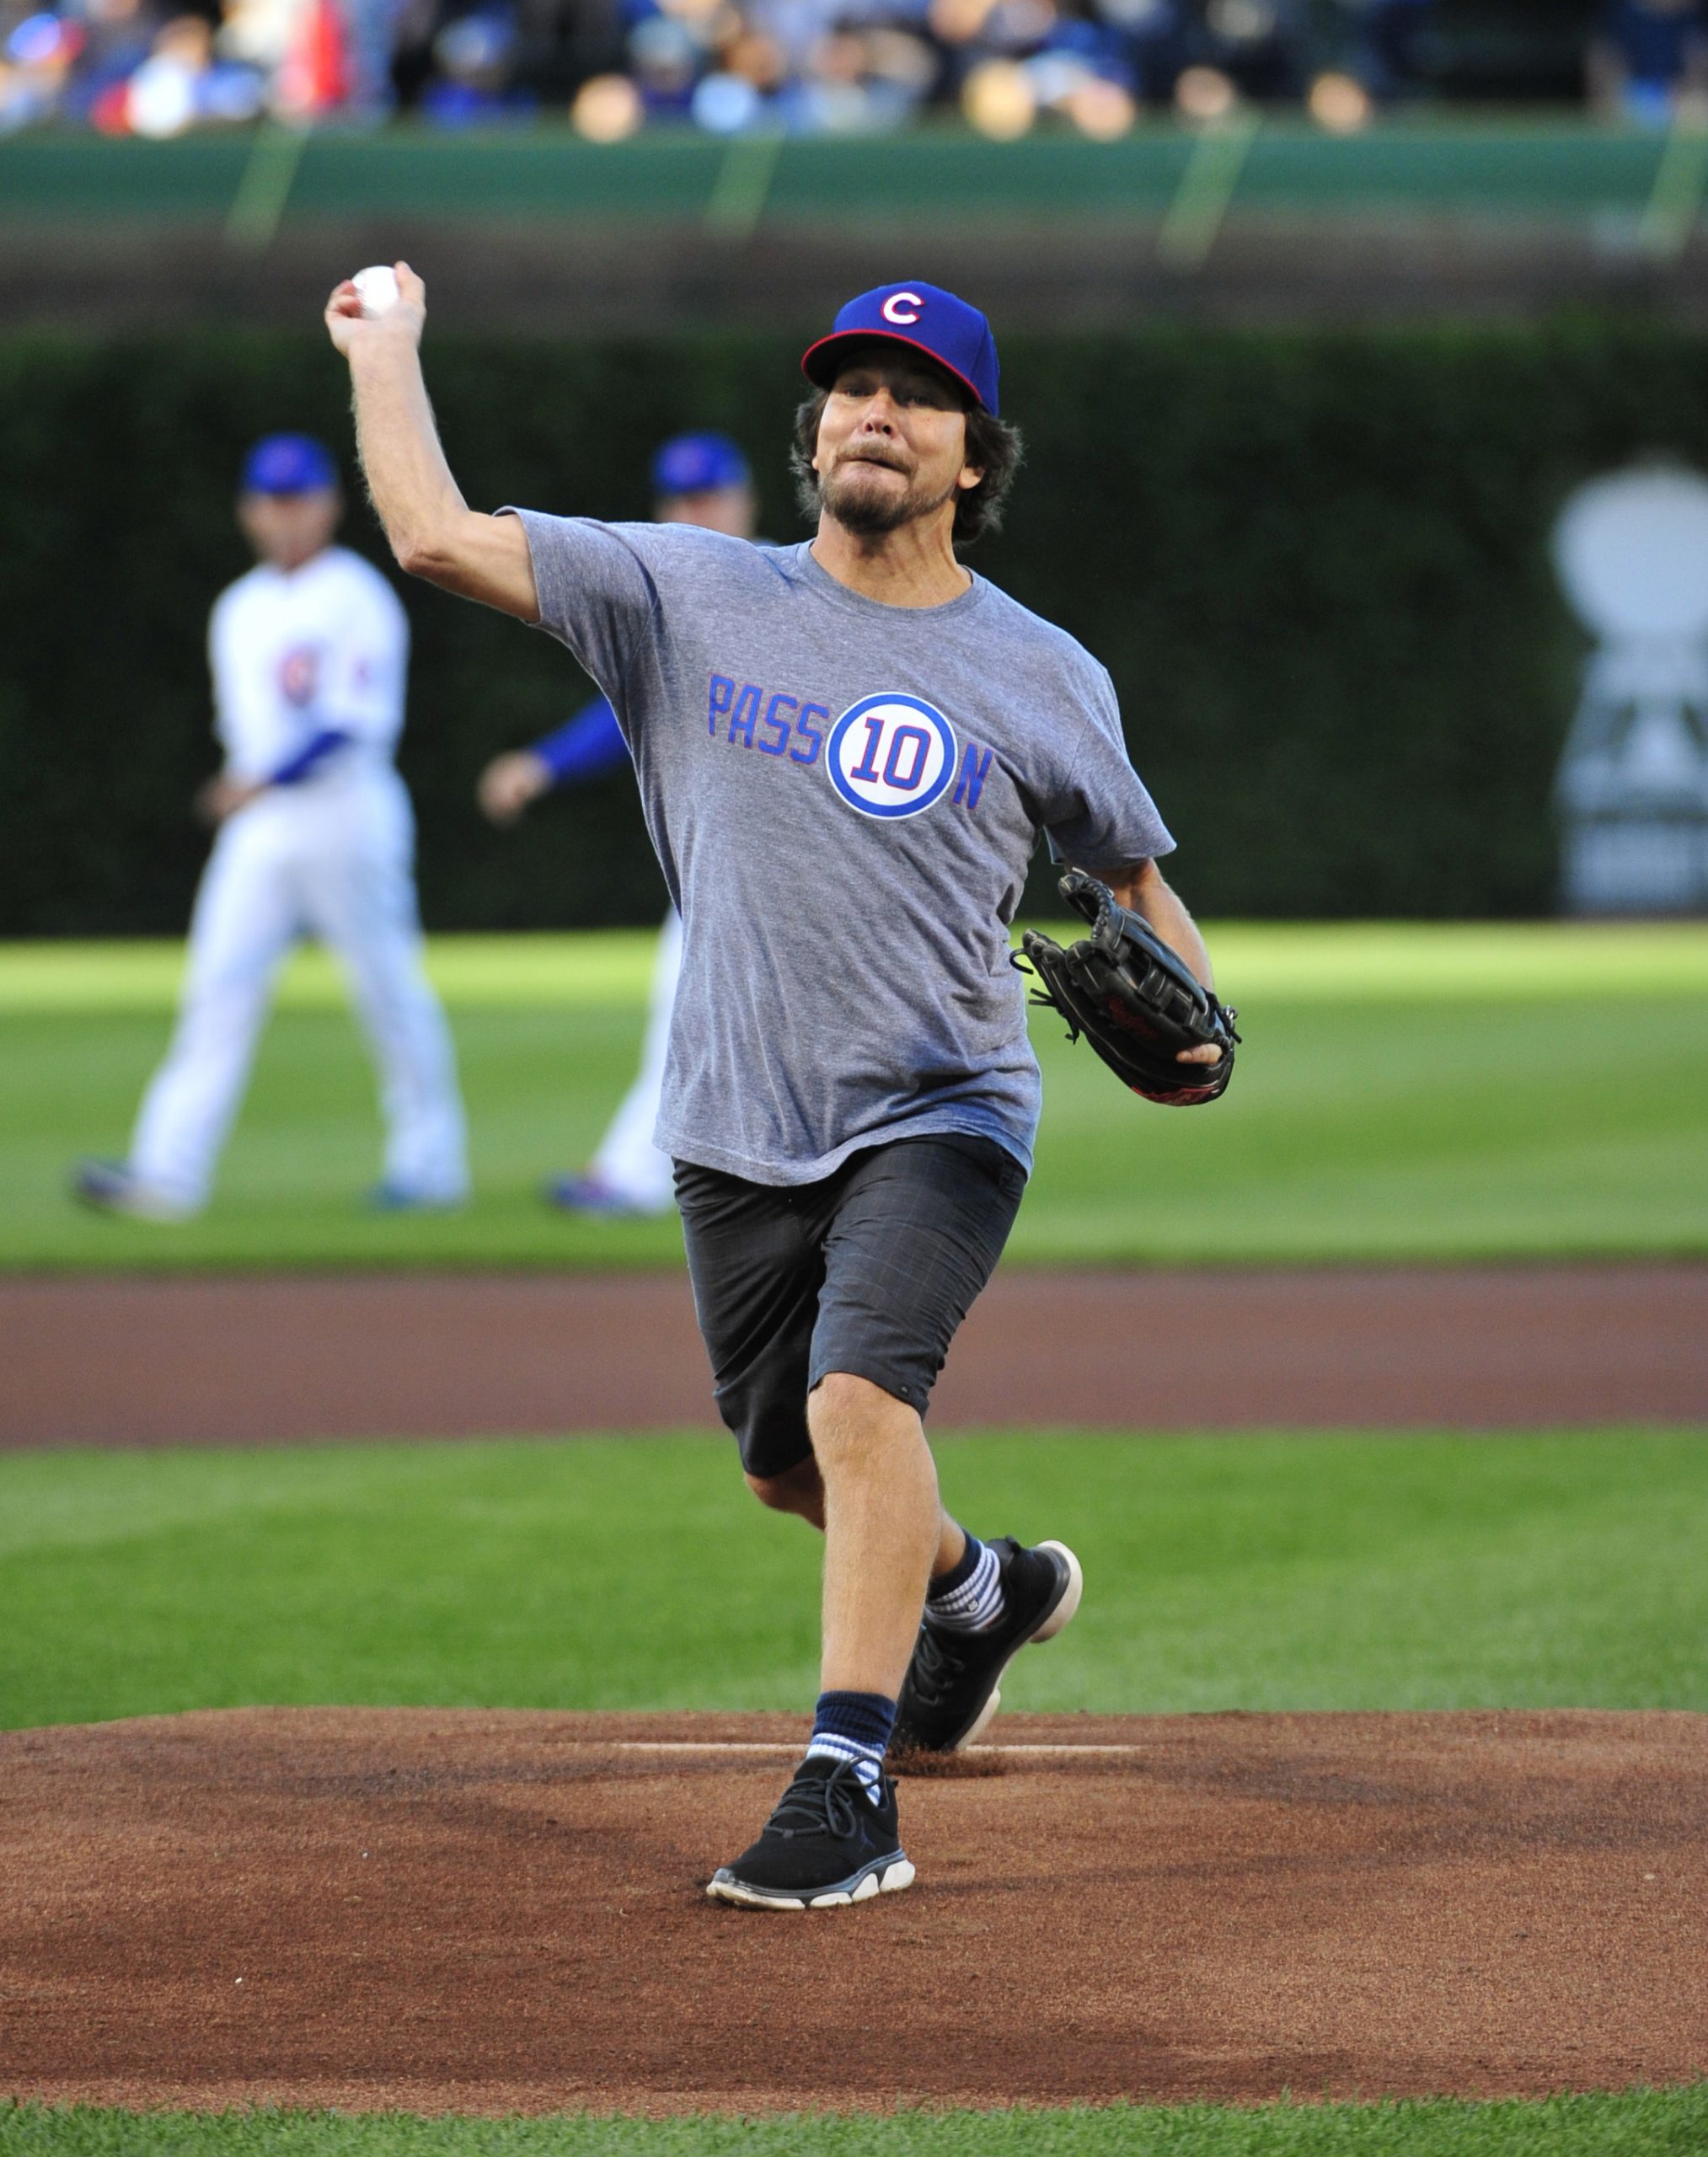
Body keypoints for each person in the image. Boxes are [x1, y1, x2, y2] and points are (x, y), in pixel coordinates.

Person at [324, 267, 1224, 1908]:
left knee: (857, 1397)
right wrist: (384, 349)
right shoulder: (679, 590)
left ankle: (845, 1780)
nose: (874, 409)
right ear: (811, 433)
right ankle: (976, 1591)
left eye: (918, 391)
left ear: (972, 454)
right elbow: (435, 535)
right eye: (848, 388)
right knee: (779, 1464)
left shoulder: (1040, 671)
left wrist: (1197, 1014)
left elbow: (1135, 877)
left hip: (942, 1102)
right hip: (735, 1116)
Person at [72, 432, 469, 1223]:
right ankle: (166, 1174)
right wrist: (255, 785)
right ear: (249, 510)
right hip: (262, 831)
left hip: (346, 815)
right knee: (216, 990)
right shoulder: (239, 605)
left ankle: (430, 1167)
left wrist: (258, 780)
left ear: (328, 505)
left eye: (298, 499)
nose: (283, 516)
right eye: (269, 501)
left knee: (387, 991)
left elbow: (351, 723)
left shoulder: (355, 594)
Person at [474, 430, 757, 1218]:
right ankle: (641, 1174)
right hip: (725, 851)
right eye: (682, 499)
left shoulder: (790, 581)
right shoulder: (668, 593)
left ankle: (642, 1176)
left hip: (796, 844)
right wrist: (547, 764)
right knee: (690, 1005)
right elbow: (621, 710)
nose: (696, 512)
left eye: (709, 496)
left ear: (743, 500)